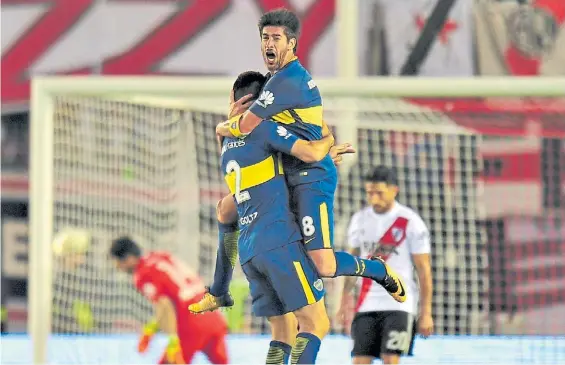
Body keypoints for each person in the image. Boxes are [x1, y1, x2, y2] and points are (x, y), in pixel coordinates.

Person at [212, 8, 406, 307]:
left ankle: (378, 270)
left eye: (276, 38)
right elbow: (313, 126)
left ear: (291, 44)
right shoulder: (275, 81)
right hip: (291, 170)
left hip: (310, 178)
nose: (269, 44)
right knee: (226, 209)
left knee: (324, 266)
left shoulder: (285, 81)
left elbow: (249, 125)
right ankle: (221, 290)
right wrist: (325, 145)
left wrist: (223, 126)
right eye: (265, 37)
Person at [195, 70, 335, 364]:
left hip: (248, 249)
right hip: (277, 240)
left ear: (234, 100)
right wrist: (327, 143)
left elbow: (232, 202)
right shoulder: (265, 129)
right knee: (315, 323)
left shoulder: (226, 142)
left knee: (283, 329)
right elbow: (308, 155)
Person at [338, 166, 434, 365]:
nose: (374, 199)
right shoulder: (359, 219)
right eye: (370, 193)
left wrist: (426, 313)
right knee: (359, 361)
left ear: (394, 190)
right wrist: (343, 302)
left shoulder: (410, 222)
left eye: (379, 193)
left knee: (391, 360)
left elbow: (423, 271)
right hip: (366, 304)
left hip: (399, 304)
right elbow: (351, 265)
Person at [109, 237, 228, 364]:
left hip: (192, 324)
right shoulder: (161, 256)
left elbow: (165, 305)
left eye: (117, 262)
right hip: (214, 316)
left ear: (128, 258)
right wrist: (152, 328)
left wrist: (173, 339)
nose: (117, 267)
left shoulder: (143, 274)